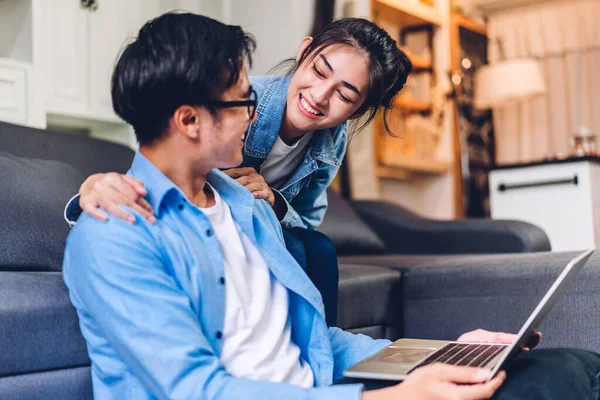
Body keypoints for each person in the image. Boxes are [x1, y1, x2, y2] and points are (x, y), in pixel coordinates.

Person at [63, 11, 600, 400]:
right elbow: (196, 390)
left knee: (569, 368)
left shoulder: (245, 207)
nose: (257, 112)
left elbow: (315, 340)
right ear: (189, 121)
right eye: (246, 100)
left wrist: (444, 354)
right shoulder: (115, 236)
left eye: (345, 94)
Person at [62, 17, 414, 327]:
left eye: (345, 95)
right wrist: (95, 187)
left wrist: (272, 200)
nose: (320, 96)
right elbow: (162, 160)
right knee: (302, 249)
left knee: (314, 247)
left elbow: (307, 218)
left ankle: (317, 351)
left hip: (263, 228)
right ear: (304, 52)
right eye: (320, 72)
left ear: (357, 110)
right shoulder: (235, 100)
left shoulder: (330, 141)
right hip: (213, 224)